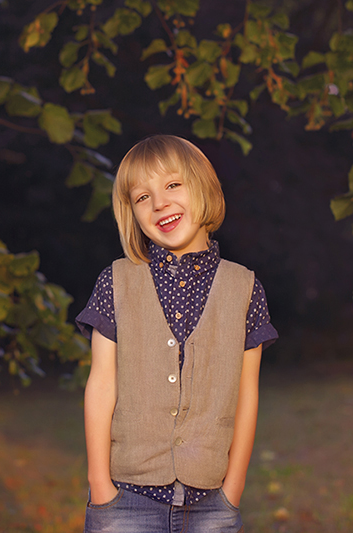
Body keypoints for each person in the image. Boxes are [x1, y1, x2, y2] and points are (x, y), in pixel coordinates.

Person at [77, 135, 278, 533]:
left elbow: (246, 395)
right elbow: (101, 386)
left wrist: (232, 489)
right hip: (125, 499)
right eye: (142, 197)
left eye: (172, 185)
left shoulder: (245, 288)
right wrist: (100, 486)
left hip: (211, 502)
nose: (159, 203)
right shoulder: (115, 282)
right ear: (130, 213)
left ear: (203, 187)